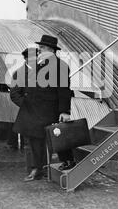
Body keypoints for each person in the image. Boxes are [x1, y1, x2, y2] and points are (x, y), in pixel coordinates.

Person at [11, 35, 74, 182]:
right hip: (34, 111)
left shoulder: (60, 66)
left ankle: (68, 161)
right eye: (40, 47)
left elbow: (64, 90)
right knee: (34, 141)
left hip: (49, 110)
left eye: (42, 48)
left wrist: (65, 111)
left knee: (57, 137)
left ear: (51, 50)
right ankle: (37, 169)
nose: (39, 50)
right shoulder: (39, 65)